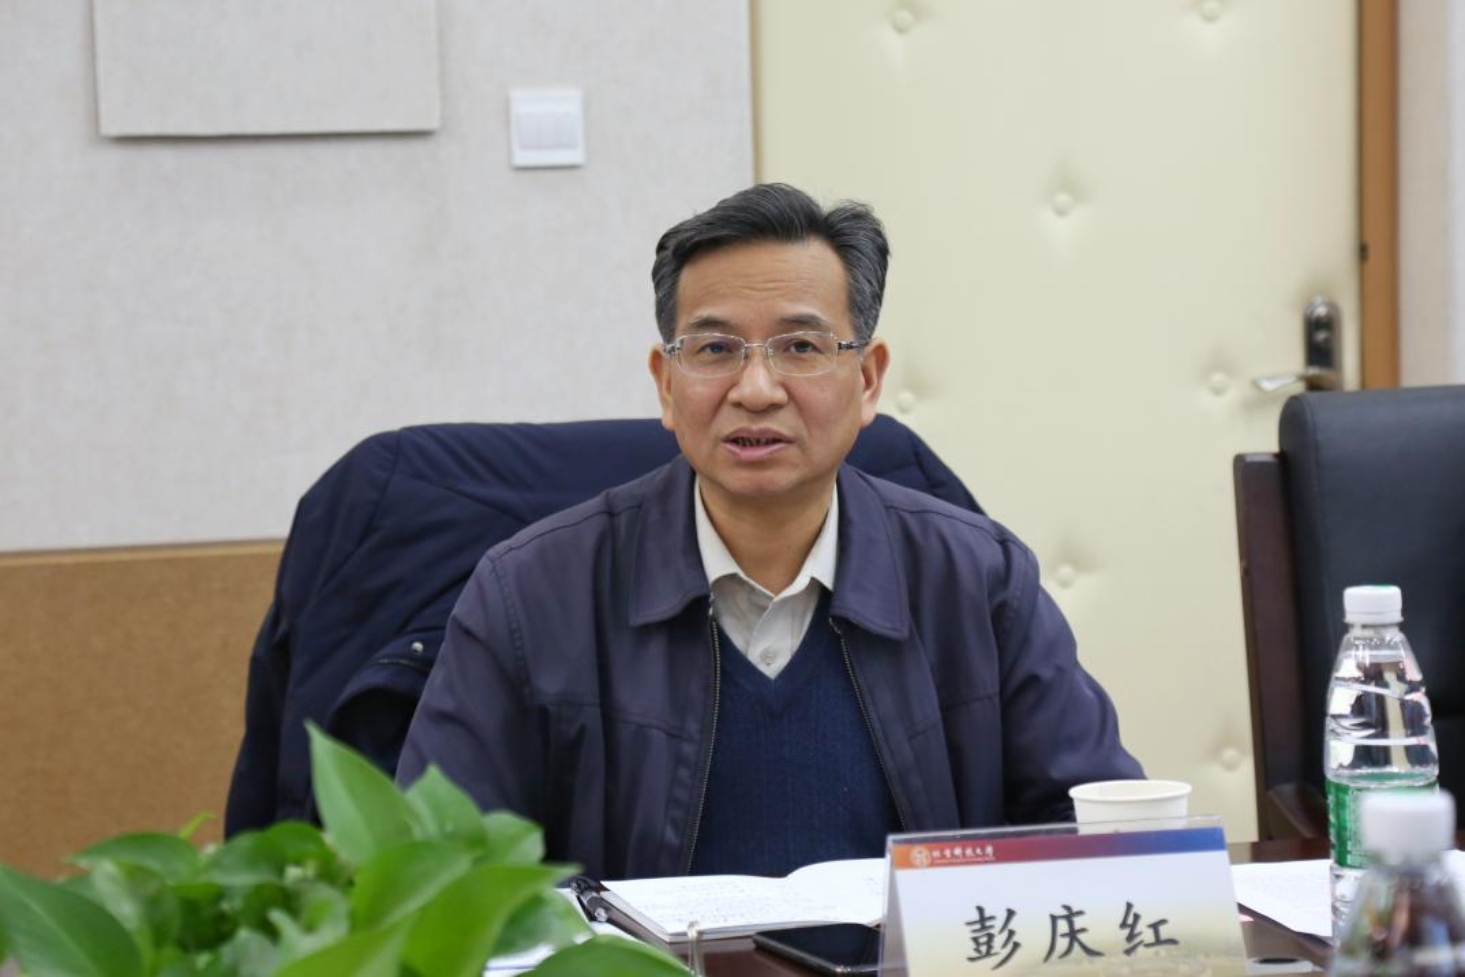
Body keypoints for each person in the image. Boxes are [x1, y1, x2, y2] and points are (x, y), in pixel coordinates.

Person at [397, 183, 1142, 880]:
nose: (756, 391)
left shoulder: (980, 582)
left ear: (868, 380)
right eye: (715, 350)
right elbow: (435, 884)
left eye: (801, 347)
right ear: (665, 383)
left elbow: (1102, 848)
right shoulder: (529, 597)